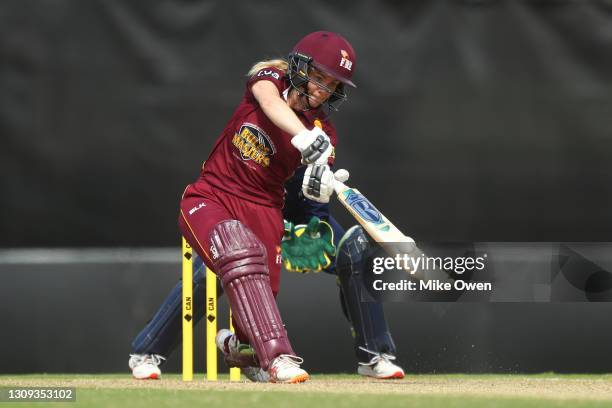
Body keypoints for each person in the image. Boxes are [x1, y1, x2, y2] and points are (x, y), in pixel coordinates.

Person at [129, 31, 403, 382]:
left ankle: (369, 356)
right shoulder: (269, 79)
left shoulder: (324, 133)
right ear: (300, 67)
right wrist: (301, 137)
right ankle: (148, 349)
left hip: (276, 212)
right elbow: (271, 104)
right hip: (222, 197)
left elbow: (308, 190)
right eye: (318, 77)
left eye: (332, 84)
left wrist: (315, 199)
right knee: (224, 258)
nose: (322, 89)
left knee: (353, 249)